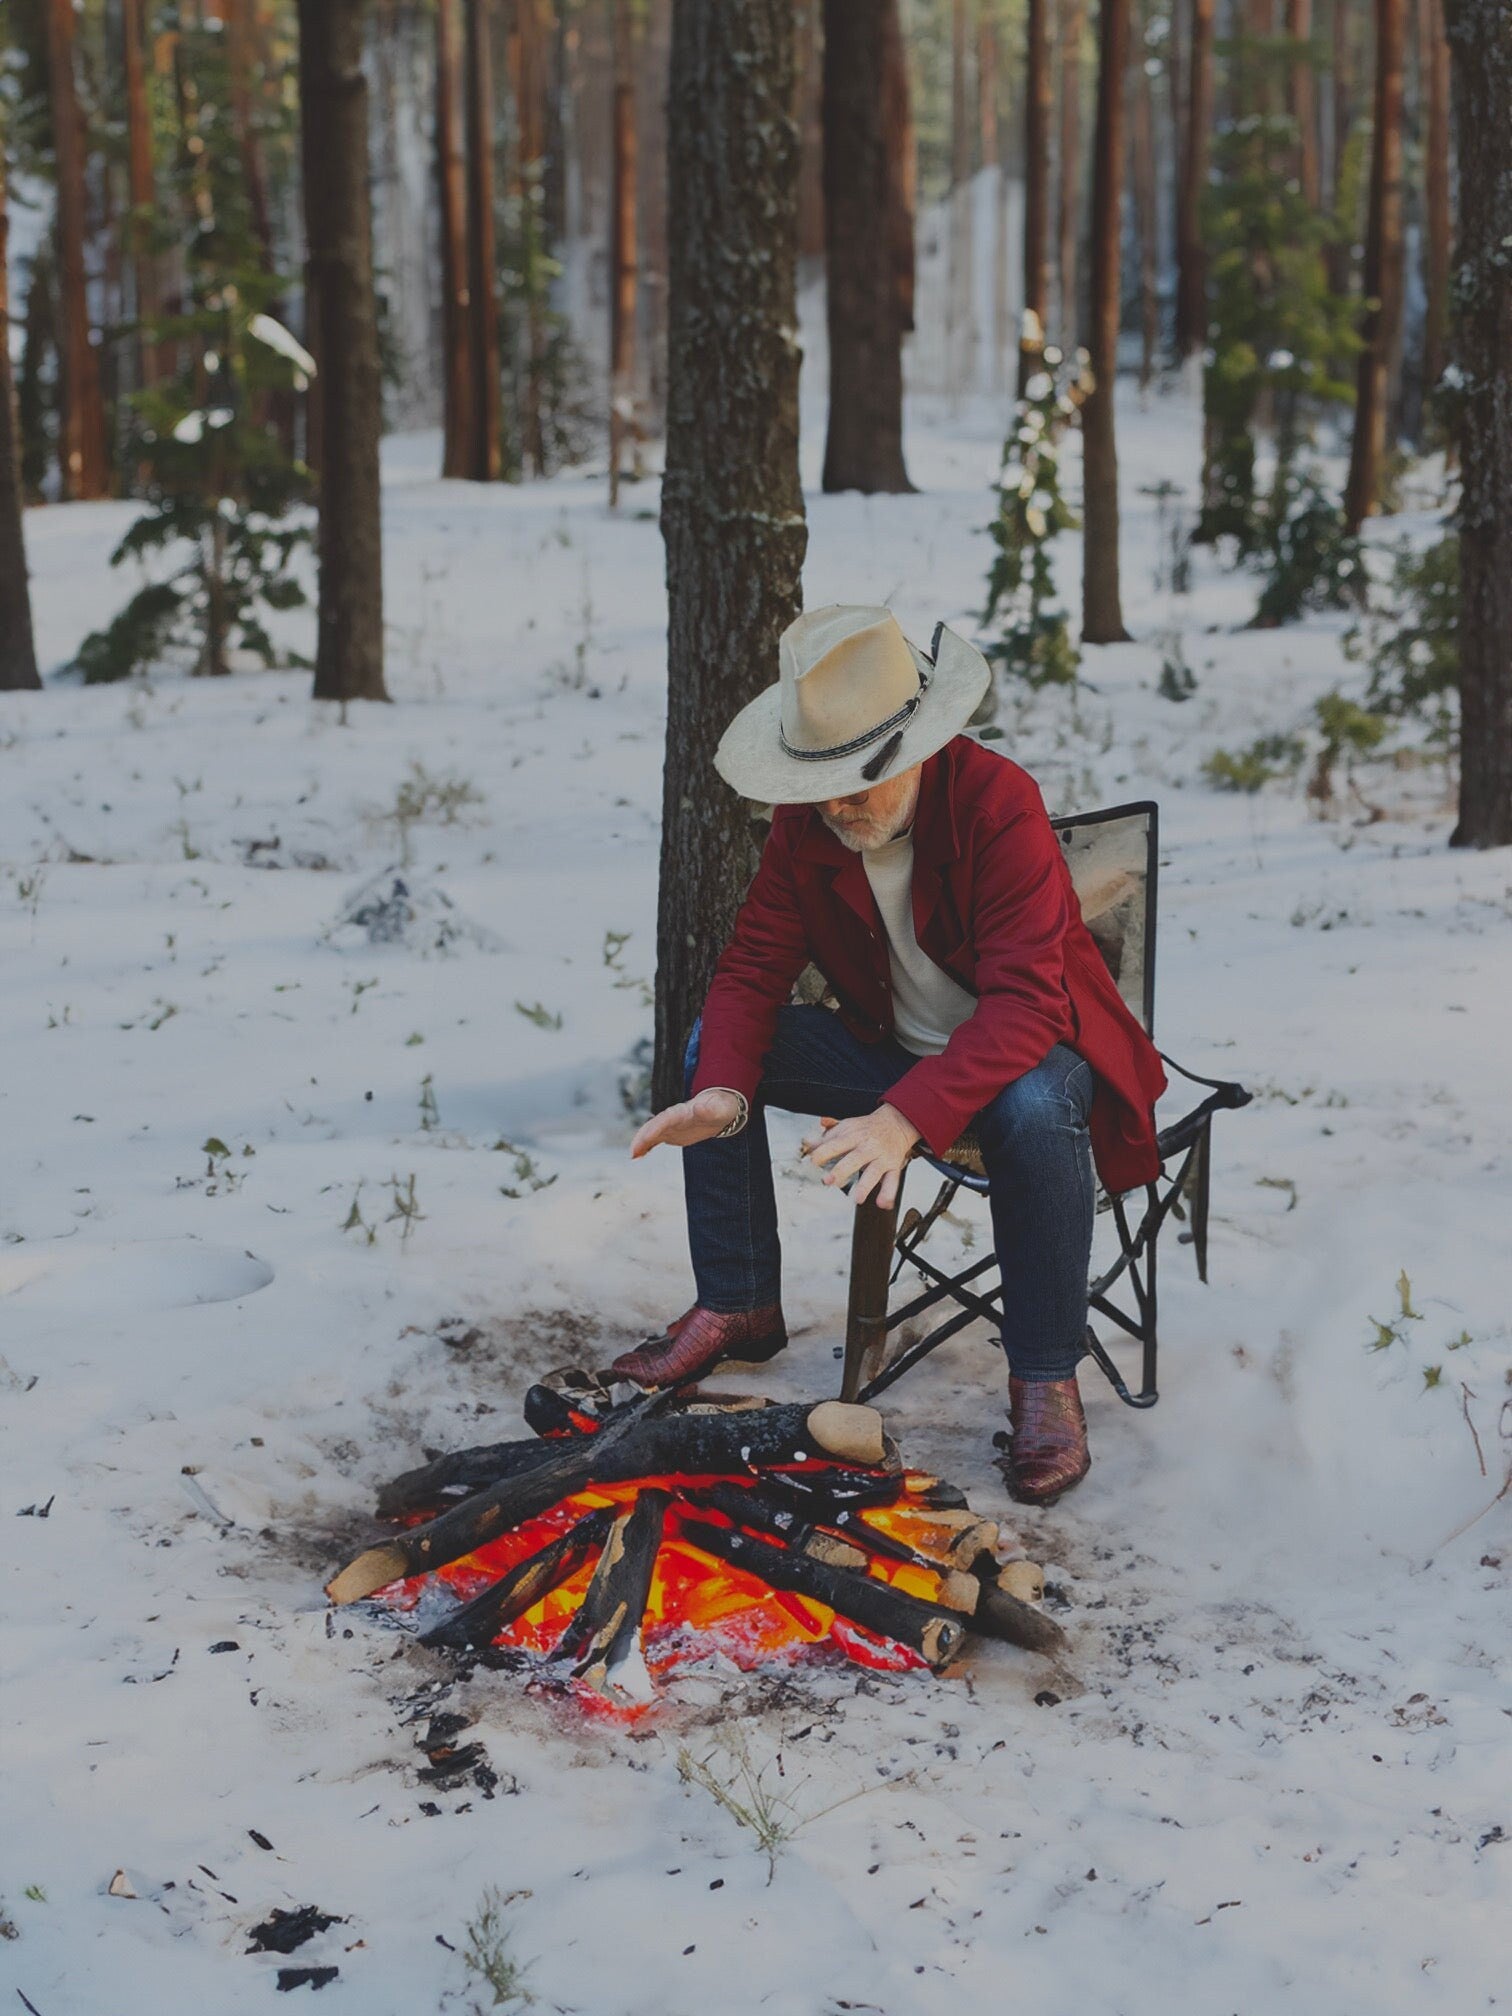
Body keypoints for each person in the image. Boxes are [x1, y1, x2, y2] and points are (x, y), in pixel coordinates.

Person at [613, 605, 1166, 1504]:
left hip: (1036, 1051)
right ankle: (739, 1300)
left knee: (1028, 1107)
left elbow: (1029, 1003)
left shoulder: (997, 802)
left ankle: (1044, 1378)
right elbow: (753, 968)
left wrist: (907, 1118)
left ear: (916, 749)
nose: (835, 804)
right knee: (709, 1054)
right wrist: (722, 1093)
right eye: (819, 782)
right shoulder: (807, 826)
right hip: (896, 1052)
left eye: (855, 782)